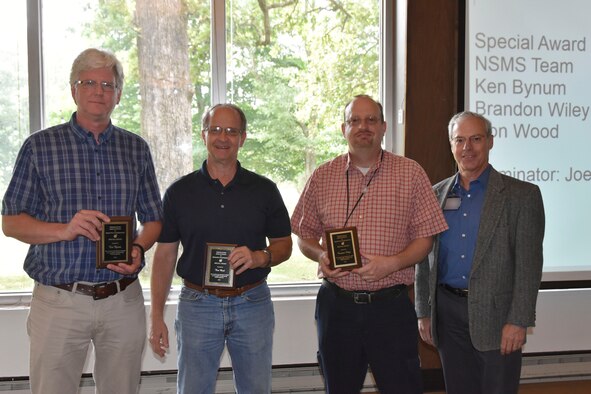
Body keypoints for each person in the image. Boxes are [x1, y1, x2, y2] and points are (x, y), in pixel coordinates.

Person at [1, 48, 163, 394]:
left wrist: (138, 247)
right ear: (74, 90)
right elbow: (11, 222)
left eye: (108, 84)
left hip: (122, 300)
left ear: (118, 95)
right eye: (89, 82)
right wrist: (65, 229)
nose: (99, 91)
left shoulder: (136, 149)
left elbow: (154, 220)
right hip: (60, 301)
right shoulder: (39, 147)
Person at [291, 94, 448, 393]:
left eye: (371, 120)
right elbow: (304, 234)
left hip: (390, 308)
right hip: (337, 307)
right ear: (343, 128)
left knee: (402, 387)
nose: (363, 126)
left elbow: (426, 238)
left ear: (384, 126)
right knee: (339, 387)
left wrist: (392, 263)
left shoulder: (411, 173)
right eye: (355, 120)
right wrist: (321, 254)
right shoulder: (322, 176)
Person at [149, 103, 292, 394]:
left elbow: (284, 246)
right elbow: (164, 256)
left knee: (256, 389)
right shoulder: (179, 192)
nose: (222, 137)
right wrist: (155, 317)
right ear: (203, 135)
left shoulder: (264, 189)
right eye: (215, 129)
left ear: (243, 137)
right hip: (197, 305)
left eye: (231, 131)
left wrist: (259, 257)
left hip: (252, 303)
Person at [415, 111, 545, 394]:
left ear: (490, 142)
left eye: (475, 139)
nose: (467, 148)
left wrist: (519, 320)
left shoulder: (522, 196)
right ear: (451, 145)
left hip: (498, 318)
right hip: (447, 314)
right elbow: (424, 260)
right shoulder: (435, 194)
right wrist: (423, 312)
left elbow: (529, 265)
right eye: (459, 140)